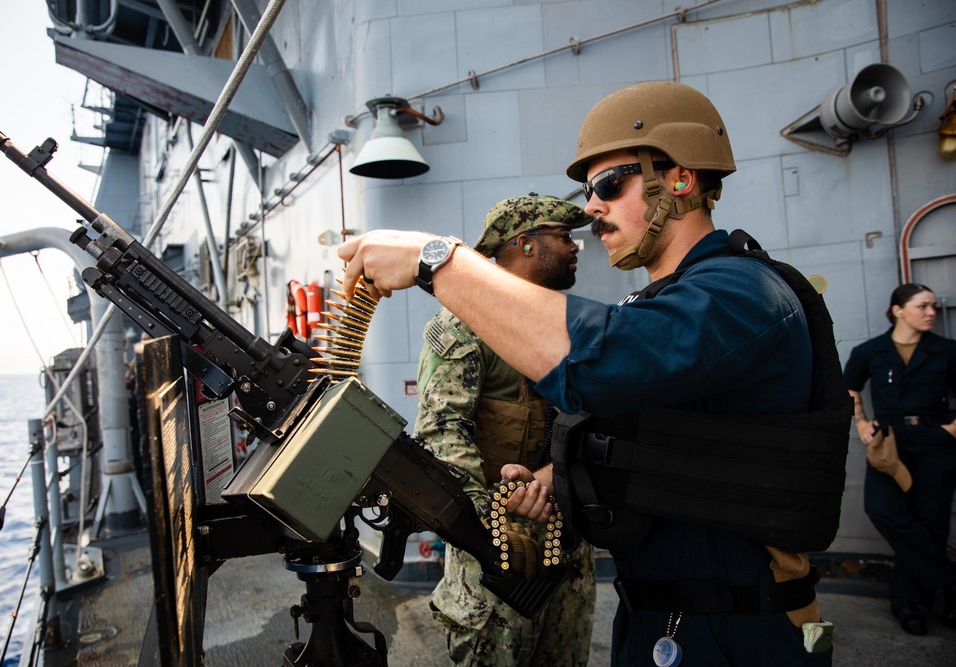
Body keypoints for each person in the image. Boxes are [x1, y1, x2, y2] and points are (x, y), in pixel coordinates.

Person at [338, 81, 848, 665]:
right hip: (668, 616)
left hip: (735, 632)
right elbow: (657, 432)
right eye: (589, 190)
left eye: (610, 185)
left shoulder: (742, 295)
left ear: (680, 179)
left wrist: (438, 262)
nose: (590, 208)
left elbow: (597, 363)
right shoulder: (673, 301)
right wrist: (558, 475)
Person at [414, 194, 597, 666]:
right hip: (496, 557)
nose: (576, 247)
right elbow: (441, 433)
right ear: (526, 244)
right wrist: (490, 527)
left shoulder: (570, 323)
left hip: (566, 545)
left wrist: (556, 479)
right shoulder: (462, 325)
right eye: (563, 237)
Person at [843, 283, 956, 635]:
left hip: (935, 442)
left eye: (933, 306)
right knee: (883, 509)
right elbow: (849, 388)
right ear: (898, 310)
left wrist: (952, 428)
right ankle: (950, 586)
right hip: (889, 444)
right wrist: (860, 422)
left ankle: (907, 601)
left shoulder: (946, 351)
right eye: (922, 306)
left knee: (931, 521)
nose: (931, 312)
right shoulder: (870, 351)